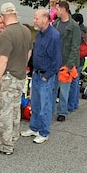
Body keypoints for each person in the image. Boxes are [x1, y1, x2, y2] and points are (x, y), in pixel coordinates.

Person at [0, 2, 32, 155]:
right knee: (14, 110)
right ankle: (12, 138)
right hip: (19, 76)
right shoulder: (26, 31)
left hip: (7, 78)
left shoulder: (7, 34)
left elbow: (3, 59)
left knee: (3, 112)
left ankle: (5, 146)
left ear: (2, 16)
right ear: (16, 14)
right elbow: (28, 53)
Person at [21, 9, 60, 144]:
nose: (34, 21)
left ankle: (44, 132)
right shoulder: (40, 34)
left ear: (45, 19)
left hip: (45, 76)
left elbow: (57, 60)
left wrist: (47, 75)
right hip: (36, 73)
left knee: (45, 105)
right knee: (35, 103)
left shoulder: (54, 36)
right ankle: (34, 127)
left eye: (36, 18)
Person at [52, 1, 80, 122]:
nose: (55, 11)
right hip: (55, 61)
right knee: (52, 88)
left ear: (63, 9)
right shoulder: (56, 24)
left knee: (64, 90)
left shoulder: (74, 26)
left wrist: (69, 65)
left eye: (57, 9)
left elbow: (75, 46)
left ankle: (62, 111)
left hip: (66, 62)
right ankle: (51, 109)